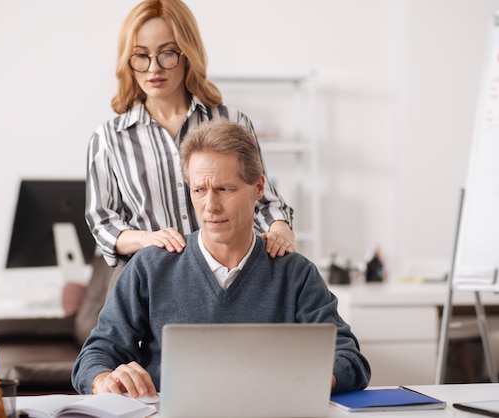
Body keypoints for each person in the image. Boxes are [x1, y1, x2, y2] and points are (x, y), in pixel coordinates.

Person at [72, 119, 371, 397]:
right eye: (199, 190)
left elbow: (349, 359)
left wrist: (304, 383)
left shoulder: (295, 273)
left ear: (257, 188)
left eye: (224, 189)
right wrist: (104, 379)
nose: (210, 206)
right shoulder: (150, 267)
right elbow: (95, 355)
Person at [85, 0, 294, 282]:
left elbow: (264, 200)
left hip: (227, 278)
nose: (153, 68)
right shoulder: (109, 138)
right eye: (141, 56)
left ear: (187, 53)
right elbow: (103, 224)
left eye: (167, 53)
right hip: (149, 281)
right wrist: (146, 239)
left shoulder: (231, 122)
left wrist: (280, 229)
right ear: (128, 61)